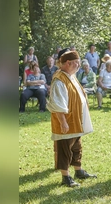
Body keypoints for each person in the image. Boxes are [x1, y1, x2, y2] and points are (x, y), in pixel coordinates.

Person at [47, 48, 97, 187]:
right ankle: (65, 177)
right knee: (65, 149)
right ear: (68, 63)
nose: (79, 65)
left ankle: (78, 170)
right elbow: (57, 104)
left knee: (76, 146)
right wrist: (63, 122)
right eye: (76, 62)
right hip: (66, 122)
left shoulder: (71, 76)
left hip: (76, 120)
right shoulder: (59, 80)